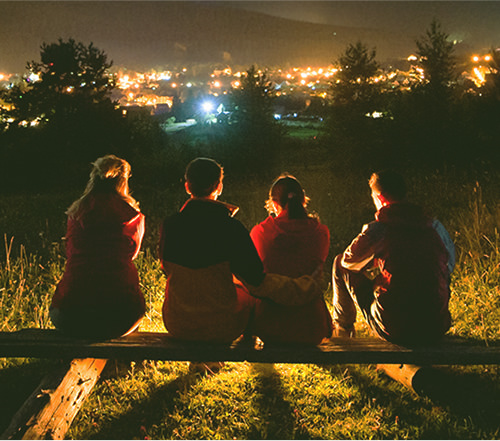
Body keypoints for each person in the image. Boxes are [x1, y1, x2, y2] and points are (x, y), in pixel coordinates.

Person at [159, 158, 322, 344]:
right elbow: (257, 282)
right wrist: (306, 286)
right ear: (219, 186)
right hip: (221, 327)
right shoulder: (231, 228)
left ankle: (205, 360)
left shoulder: (169, 226)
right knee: (247, 294)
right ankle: (247, 342)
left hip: (177, 323)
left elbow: (167, 269)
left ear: (187, 187)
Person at [332, 170, 454, 345]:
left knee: (338, 263)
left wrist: (375, 267)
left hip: (396, 328)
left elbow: (348, 261)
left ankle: (343, 331)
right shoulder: (434, 227)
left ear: (380, 198)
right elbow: (447, 267)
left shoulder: (380, 229)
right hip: (435, 327)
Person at [50, 155, 146, 339]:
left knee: (59, 308)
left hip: (70, 315)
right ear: (123, 181)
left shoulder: (76, 214)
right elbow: (131, 254)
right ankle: (126, 362)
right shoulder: (133, 216)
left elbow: (70, 251)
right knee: (131, 301)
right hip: (121, 316)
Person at [250, 174, 333, 344]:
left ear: (273, 203)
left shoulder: (261, 232)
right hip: (312, 326)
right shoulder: (320, 232)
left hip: (270, 325)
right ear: (304, 200)